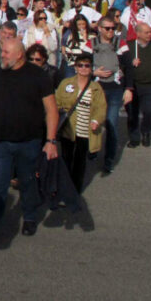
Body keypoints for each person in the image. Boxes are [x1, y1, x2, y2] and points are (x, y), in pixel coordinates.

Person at [0, 38, 59, 248]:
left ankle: (29, 217)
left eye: (6, 52)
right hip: (0, 143)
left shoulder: (38, 76)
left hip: (28, 142)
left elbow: (51, 109)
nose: (2, 55)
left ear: (19, 55)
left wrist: (50, 140)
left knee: (28, 182)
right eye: (2, 52)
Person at [54, 52, 107, 194]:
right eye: (80, 65)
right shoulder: (66, 84)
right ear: (75, 67)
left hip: (85, 131)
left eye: (87, 66)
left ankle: (74, 190)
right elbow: (57, 101)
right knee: (66, 160)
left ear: (91, 69)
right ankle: (64, 188)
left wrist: (96, 120)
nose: (83, 68)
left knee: (79, 161)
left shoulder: (96, 88)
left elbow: (101, 108)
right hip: (68, 129)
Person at [92, 15, 131, 173]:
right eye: (107, 28)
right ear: (100, 29)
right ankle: (92, 150)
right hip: (96, 89)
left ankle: (109, 159)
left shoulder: (121, 44)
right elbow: (81, 65)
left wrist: (129, 88)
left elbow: (129, 67)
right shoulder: (91, 44)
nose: (110, 31)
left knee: (112, 124)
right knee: (93, 123)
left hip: (115, 90)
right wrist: (94, 72)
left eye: (113, 28)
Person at [122, 22, 151, 148]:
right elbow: (121, 64)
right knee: (132, 113)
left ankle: (146, 131)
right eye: (146, 32)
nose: (150, 34)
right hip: (133, 86)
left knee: (149, 111)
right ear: (138, 33)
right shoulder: (130, 47)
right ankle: (134, 137)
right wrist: (131, 62)